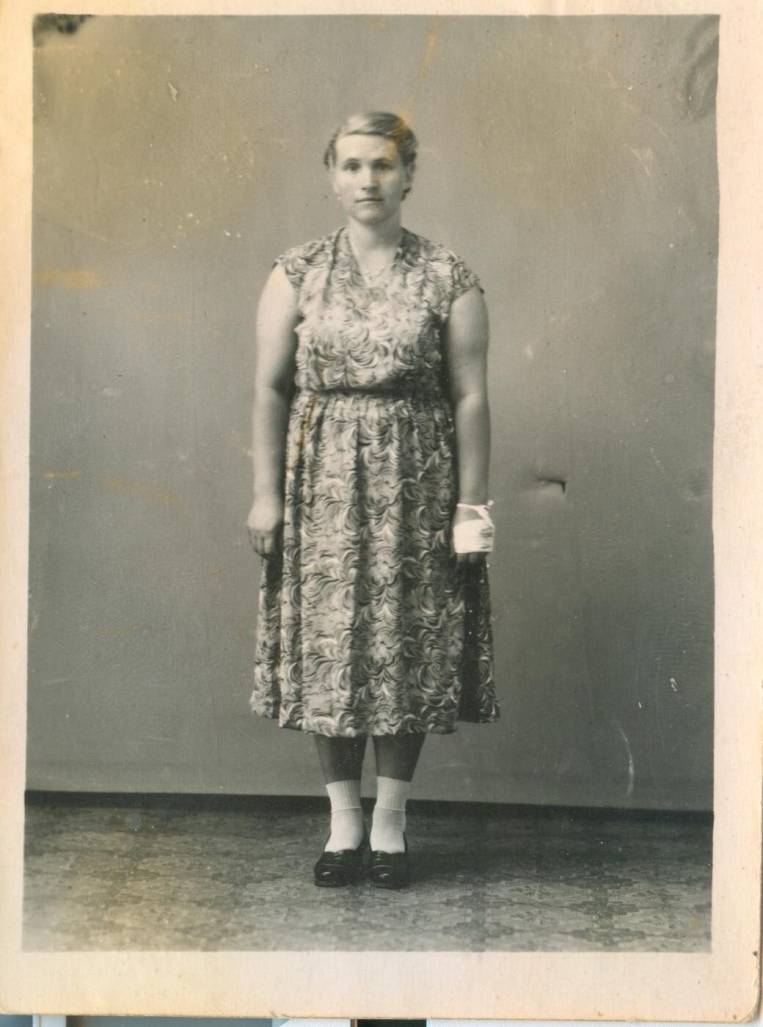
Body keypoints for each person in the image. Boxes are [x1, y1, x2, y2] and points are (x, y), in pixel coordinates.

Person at [247, 111, 499, 890]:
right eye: (352, 165)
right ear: (331, 176)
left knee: (402, 647)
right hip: (318, 483)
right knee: (331, 648)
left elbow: (469, 395)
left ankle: (388, 824)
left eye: (382, 165)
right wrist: (264, 494)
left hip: (415, 485)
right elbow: (270, 387)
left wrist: (471, 508)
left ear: (408, 175)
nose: (367, 180)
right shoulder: (296, 271)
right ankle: (341, 823)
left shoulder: (447, 276)